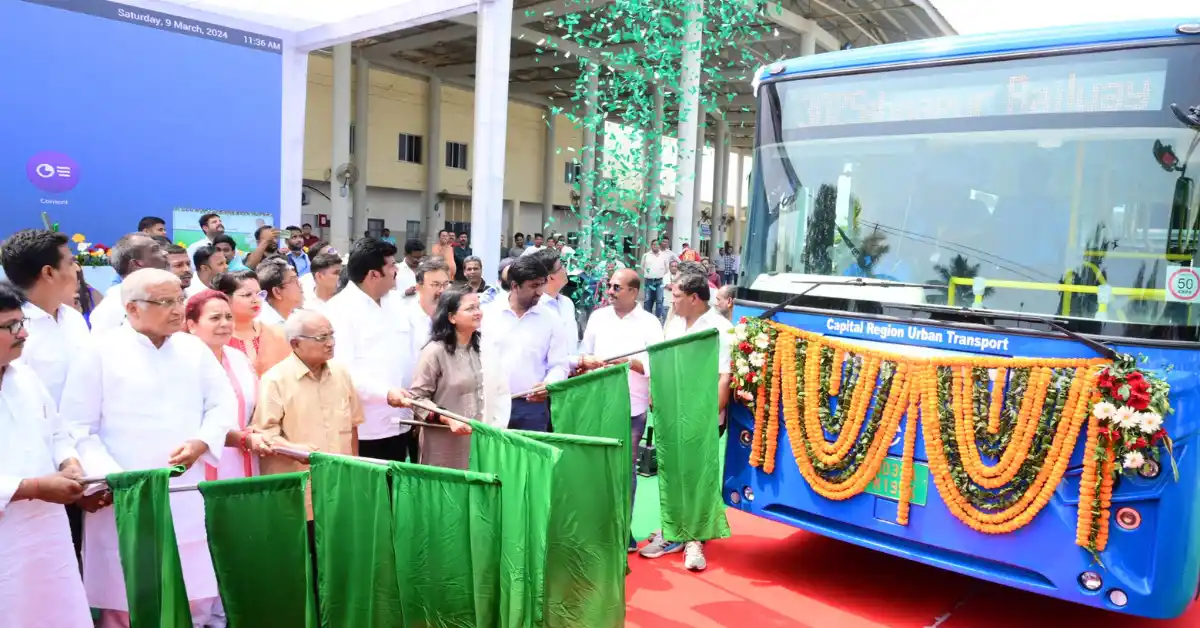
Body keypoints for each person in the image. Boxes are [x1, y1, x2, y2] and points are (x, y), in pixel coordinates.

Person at [60, 268, 237, 626]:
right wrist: (120, 479)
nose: (176, 310)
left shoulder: (192, 348)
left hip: (184, 490)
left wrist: (201, 441)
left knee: (194, 592)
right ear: (133, 308)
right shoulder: (98, 351)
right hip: (123, 496)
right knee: (127, 597)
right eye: (165, 302)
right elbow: (78, 427)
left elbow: (222, 404)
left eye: (179, 300)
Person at [0, 281, 93, 627]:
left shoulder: (24, 376)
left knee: (55, 607)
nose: (23, 333)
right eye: (10, 327)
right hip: (7, 532)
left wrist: (70, 464)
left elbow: (56, 432)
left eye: (21, 322)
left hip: (45, 531)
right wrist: (36, 488)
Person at [638, 272, 733, 572]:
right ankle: (673, 529)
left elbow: (724, 377)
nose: (672, 302)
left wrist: (707, 418)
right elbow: (665, 364)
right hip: (672, 412)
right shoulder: (675, 323)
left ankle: (694, 538)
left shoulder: (721, 329)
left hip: (702, 418)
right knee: (674, 471)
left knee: (696, 475)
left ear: (694, 297)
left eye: (677, 296)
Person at [577, 268, 663, 552]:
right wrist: (589, 363)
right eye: (609, 287)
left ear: (634, 292)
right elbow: (584, 353)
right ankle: (594, 527)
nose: (610, 292)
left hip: (632, 407)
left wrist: (626, 363)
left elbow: (656, 366)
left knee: (625, 472)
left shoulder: (650, 323)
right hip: (596, 404)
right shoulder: (598, 317)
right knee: (593, 469)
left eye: (616, 287)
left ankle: (621, 529)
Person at [323, 238, 416, 462]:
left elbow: (411, 352)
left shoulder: (396, 304)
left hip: (402, 420)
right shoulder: (339, 311)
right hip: (365, 426)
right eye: (391, 266)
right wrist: (384, 393)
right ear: (374, 275)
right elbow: (342, 371)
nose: (396, 271)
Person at [186, 290, 272, 480]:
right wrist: (241, 439)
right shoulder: (183, 362)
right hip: (201, 459)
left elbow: (253, 407)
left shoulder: (238, 358)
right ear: (192, 325)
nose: (224, 324)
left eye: (228, 317)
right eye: (215, 318)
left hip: (243, 457)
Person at [481, 254, 569, 432]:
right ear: (514, 286)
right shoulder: (487, 314)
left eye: (542, 284)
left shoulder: (551, 319)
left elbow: (560, 365)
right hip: (489, 404)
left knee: (531, 459)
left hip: (531, 407)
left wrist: (549, 384)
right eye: (533, 286)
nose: (540, 292)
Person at [1, 229, 90, 403]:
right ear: (49, 272)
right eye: (71, 262)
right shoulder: (13, 329)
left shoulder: (73, 318)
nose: (77, 268)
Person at [407, 288, 483, 469]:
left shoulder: (481, 347)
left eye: (479, 307)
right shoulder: (435, 352)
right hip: (444, 442)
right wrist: (447, 419)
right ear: (452, 317)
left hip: (479, 440)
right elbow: (416, 398)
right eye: (470, 308)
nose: (478, 312)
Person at [88, 233, 169, 334]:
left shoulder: (172, 293)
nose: (165, 253)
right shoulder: (113, 307)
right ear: (137, 263)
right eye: (155, 249)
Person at [215, 270, 291, 376]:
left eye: (259, 294)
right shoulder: (217, 339)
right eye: (247, 295)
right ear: (226, 298)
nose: (256, 300)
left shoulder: (277, 334)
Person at [531, 248, 579, 354]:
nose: (565, 269)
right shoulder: (535, 307)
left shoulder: (567, 303)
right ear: (550, 277)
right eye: (561, 267)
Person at [408, 257, 451, 352]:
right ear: (419, 287)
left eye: (445, 284)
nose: (442, 290)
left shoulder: (454, 315)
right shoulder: (406, 318)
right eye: (435, 285)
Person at [256, 257, 303, 326]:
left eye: (297, 279)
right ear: (277, 292)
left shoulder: (301, 316)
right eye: (293, 280)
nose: (300, 284)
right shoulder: (261, 326)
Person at [641, 238, 674, 320]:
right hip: (649, 281)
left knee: (659, 300)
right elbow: (642, 267)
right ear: (651, 246)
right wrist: (649, 274)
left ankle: (657, 318)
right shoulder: (646, 255)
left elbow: (666, 268)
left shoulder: (663, 256)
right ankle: (647, 318)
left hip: (659, 281)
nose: (656, 246)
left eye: (657, 244)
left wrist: (660, 274)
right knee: (648, 300)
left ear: (660, 246)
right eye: (654, 244)